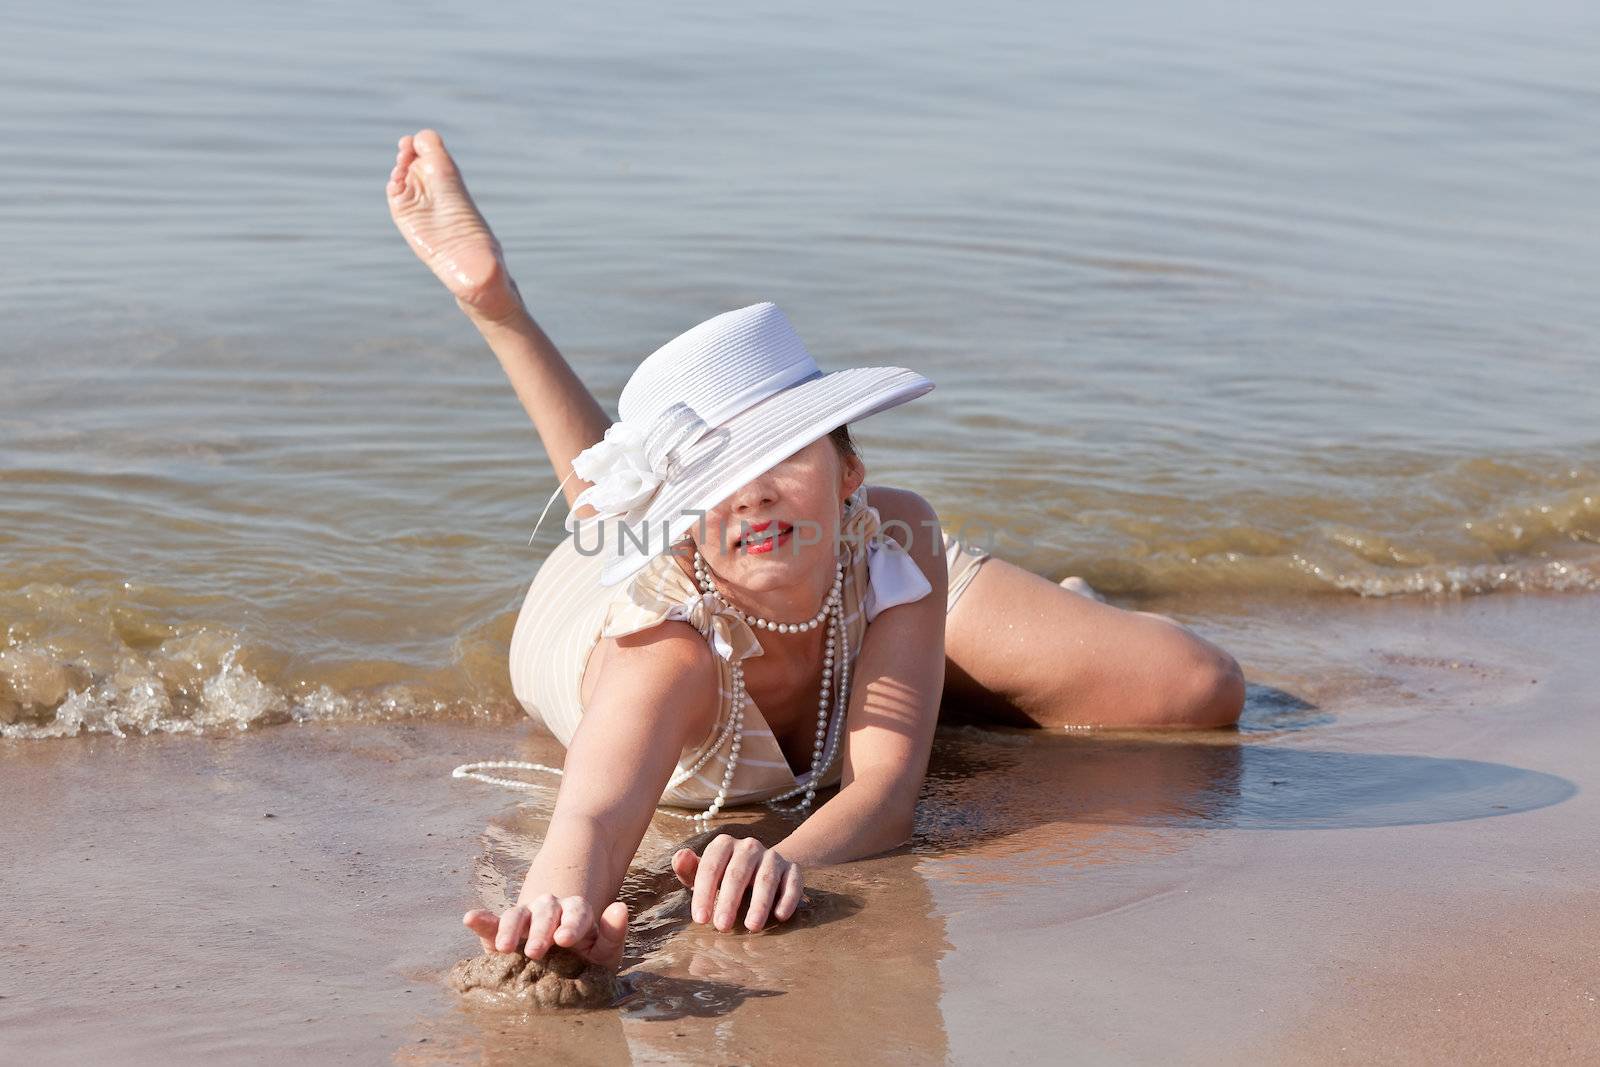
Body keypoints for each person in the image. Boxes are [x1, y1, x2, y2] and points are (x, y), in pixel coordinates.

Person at [385, 128, 1246, 969]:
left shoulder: (890, 532)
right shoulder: (663, 651)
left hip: (826, 570)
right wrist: (559, 917)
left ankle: (957, 648)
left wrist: (790, 855)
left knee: (1201, 688)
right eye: (719, 478)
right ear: (682, 519)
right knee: (610, 515)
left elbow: (885, 792)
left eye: (783, 453)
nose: (755, 488)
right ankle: (497, 308)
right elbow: (594, 822)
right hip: (630, 599)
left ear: (849, 473)